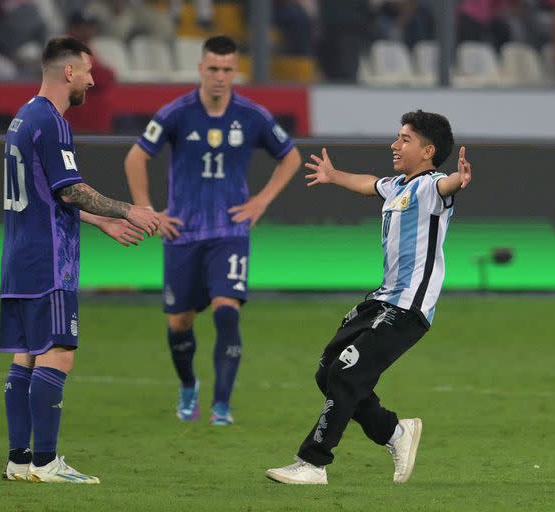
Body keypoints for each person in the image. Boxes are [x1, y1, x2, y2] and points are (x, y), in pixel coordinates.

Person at [266, 110, 472, 485]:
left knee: (347, 374)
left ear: (428, 151)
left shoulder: (431, 186)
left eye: (405, 139)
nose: (395, 144)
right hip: (380, 300)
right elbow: (369, 184)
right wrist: (333, 176)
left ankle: (313, 462)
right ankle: (395, 433)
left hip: (408, 306)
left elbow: (448, 187)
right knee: (327, 370)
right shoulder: (397, 186)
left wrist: (460, 179)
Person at [0, 36, 160, 484]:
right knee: (58, 352)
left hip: (18, 256)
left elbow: (47, 194)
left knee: (25, 356)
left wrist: (99, 222)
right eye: (88, 70)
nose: (92, 79)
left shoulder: (22, 118)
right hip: (49, 260)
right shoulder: (52, 123)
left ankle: (19, 459)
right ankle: (47, 463)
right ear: (68, 72)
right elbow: (69, 188)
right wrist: (129, 210)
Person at [124, 35, 301, 425]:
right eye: (213, 69)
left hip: (229, 231)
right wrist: (148, 212)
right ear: (201, 70)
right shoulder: (176, 113)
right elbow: (136, 157)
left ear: (235, 71)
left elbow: (290, 157)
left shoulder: (252, 115)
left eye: (227, 69)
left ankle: (222, 404)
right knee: (179, 324)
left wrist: (261, 201)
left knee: (226, 313)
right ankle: (189, 386)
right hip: (182, 233)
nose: (220, 76)